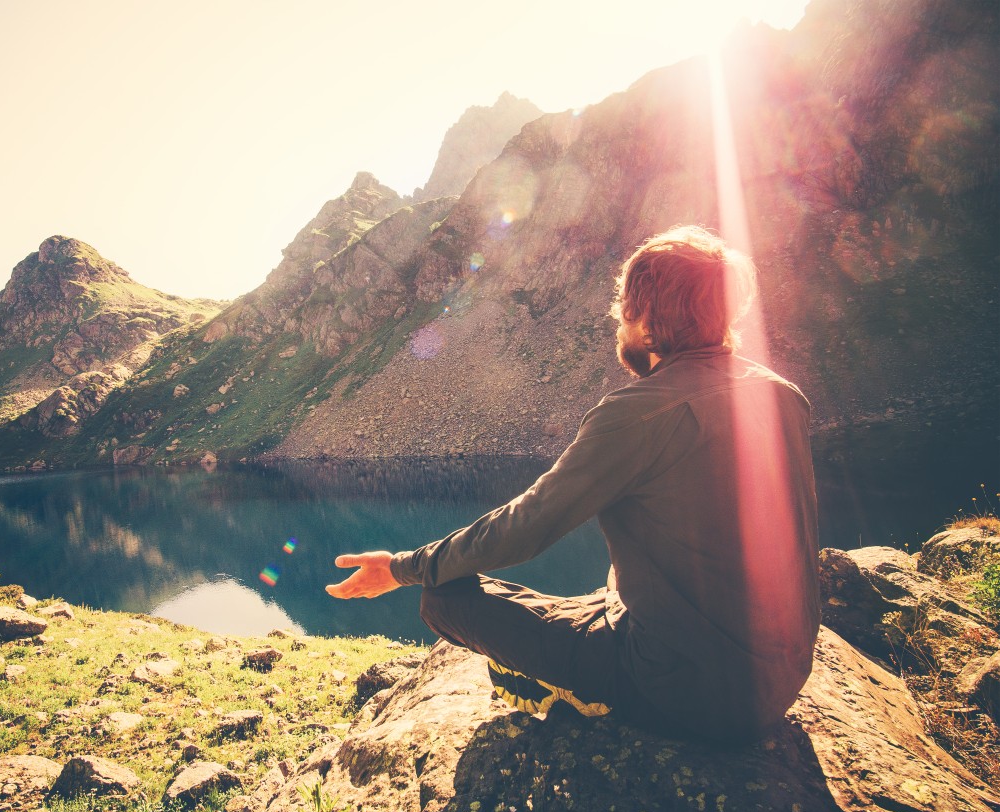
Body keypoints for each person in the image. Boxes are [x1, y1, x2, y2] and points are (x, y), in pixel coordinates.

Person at [325, 225, 820, 744]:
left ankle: (577, 693)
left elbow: (524, 527)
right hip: (780, 679)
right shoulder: (783, 395)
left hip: (683, 691)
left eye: (621, 305)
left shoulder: (638, 413)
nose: (617, 320)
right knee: (610, 585)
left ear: (644, 315)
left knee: (443, 599)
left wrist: (403, 567)